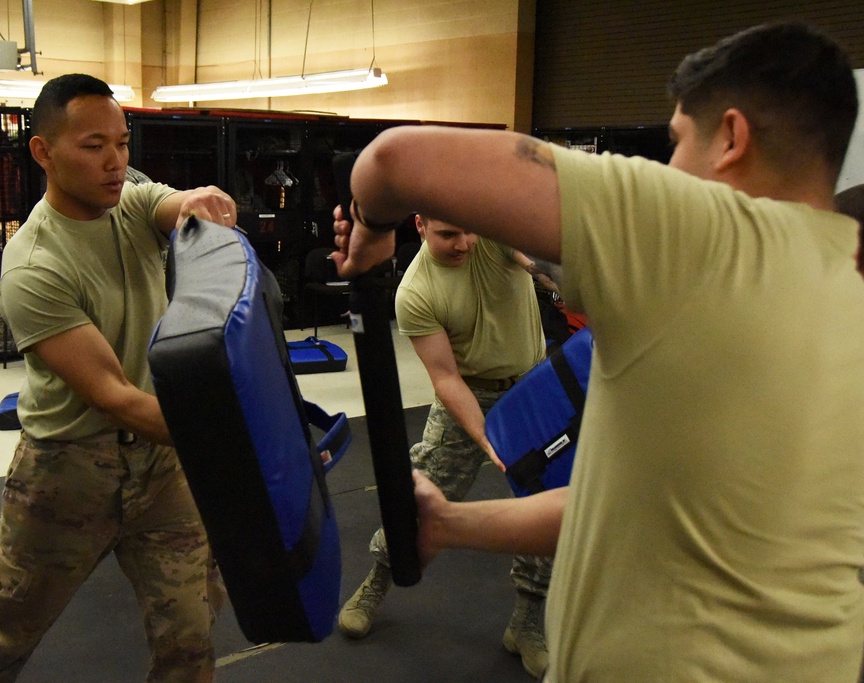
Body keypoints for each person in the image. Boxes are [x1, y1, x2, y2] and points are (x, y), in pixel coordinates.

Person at [333, 22, 864, 682]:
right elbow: (636, 505)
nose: (669, 167)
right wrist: (450, 524)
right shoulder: (845, 278)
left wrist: (371, 234)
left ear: (731, 137)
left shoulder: (699, 235)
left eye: (676, 141)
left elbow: (392, 161)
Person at [0, 74, 236, 682]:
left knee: (191, 633)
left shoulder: (126, 199)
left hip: (161, 470)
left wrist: (197, 204)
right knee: (6, 638)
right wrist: (242, 440)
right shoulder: (33, 267)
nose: (115, 163)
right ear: (43, 152)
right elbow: (117, 398)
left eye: (123, 144)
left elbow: (170, 203)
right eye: (93, 146)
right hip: (68, 473)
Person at [336, 212, 553, 676]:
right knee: (420, 498)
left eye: (468, 229)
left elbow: (534, 257)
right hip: (468, 392)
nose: (464, 243)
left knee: (543, 501)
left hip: (534, 389)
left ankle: (526, 622)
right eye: (448, 234)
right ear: (420, 225)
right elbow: (446, 378)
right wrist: (487, 439)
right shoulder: (415, 292)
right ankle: (378, 580)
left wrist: (554, 273)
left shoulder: (493, 236)